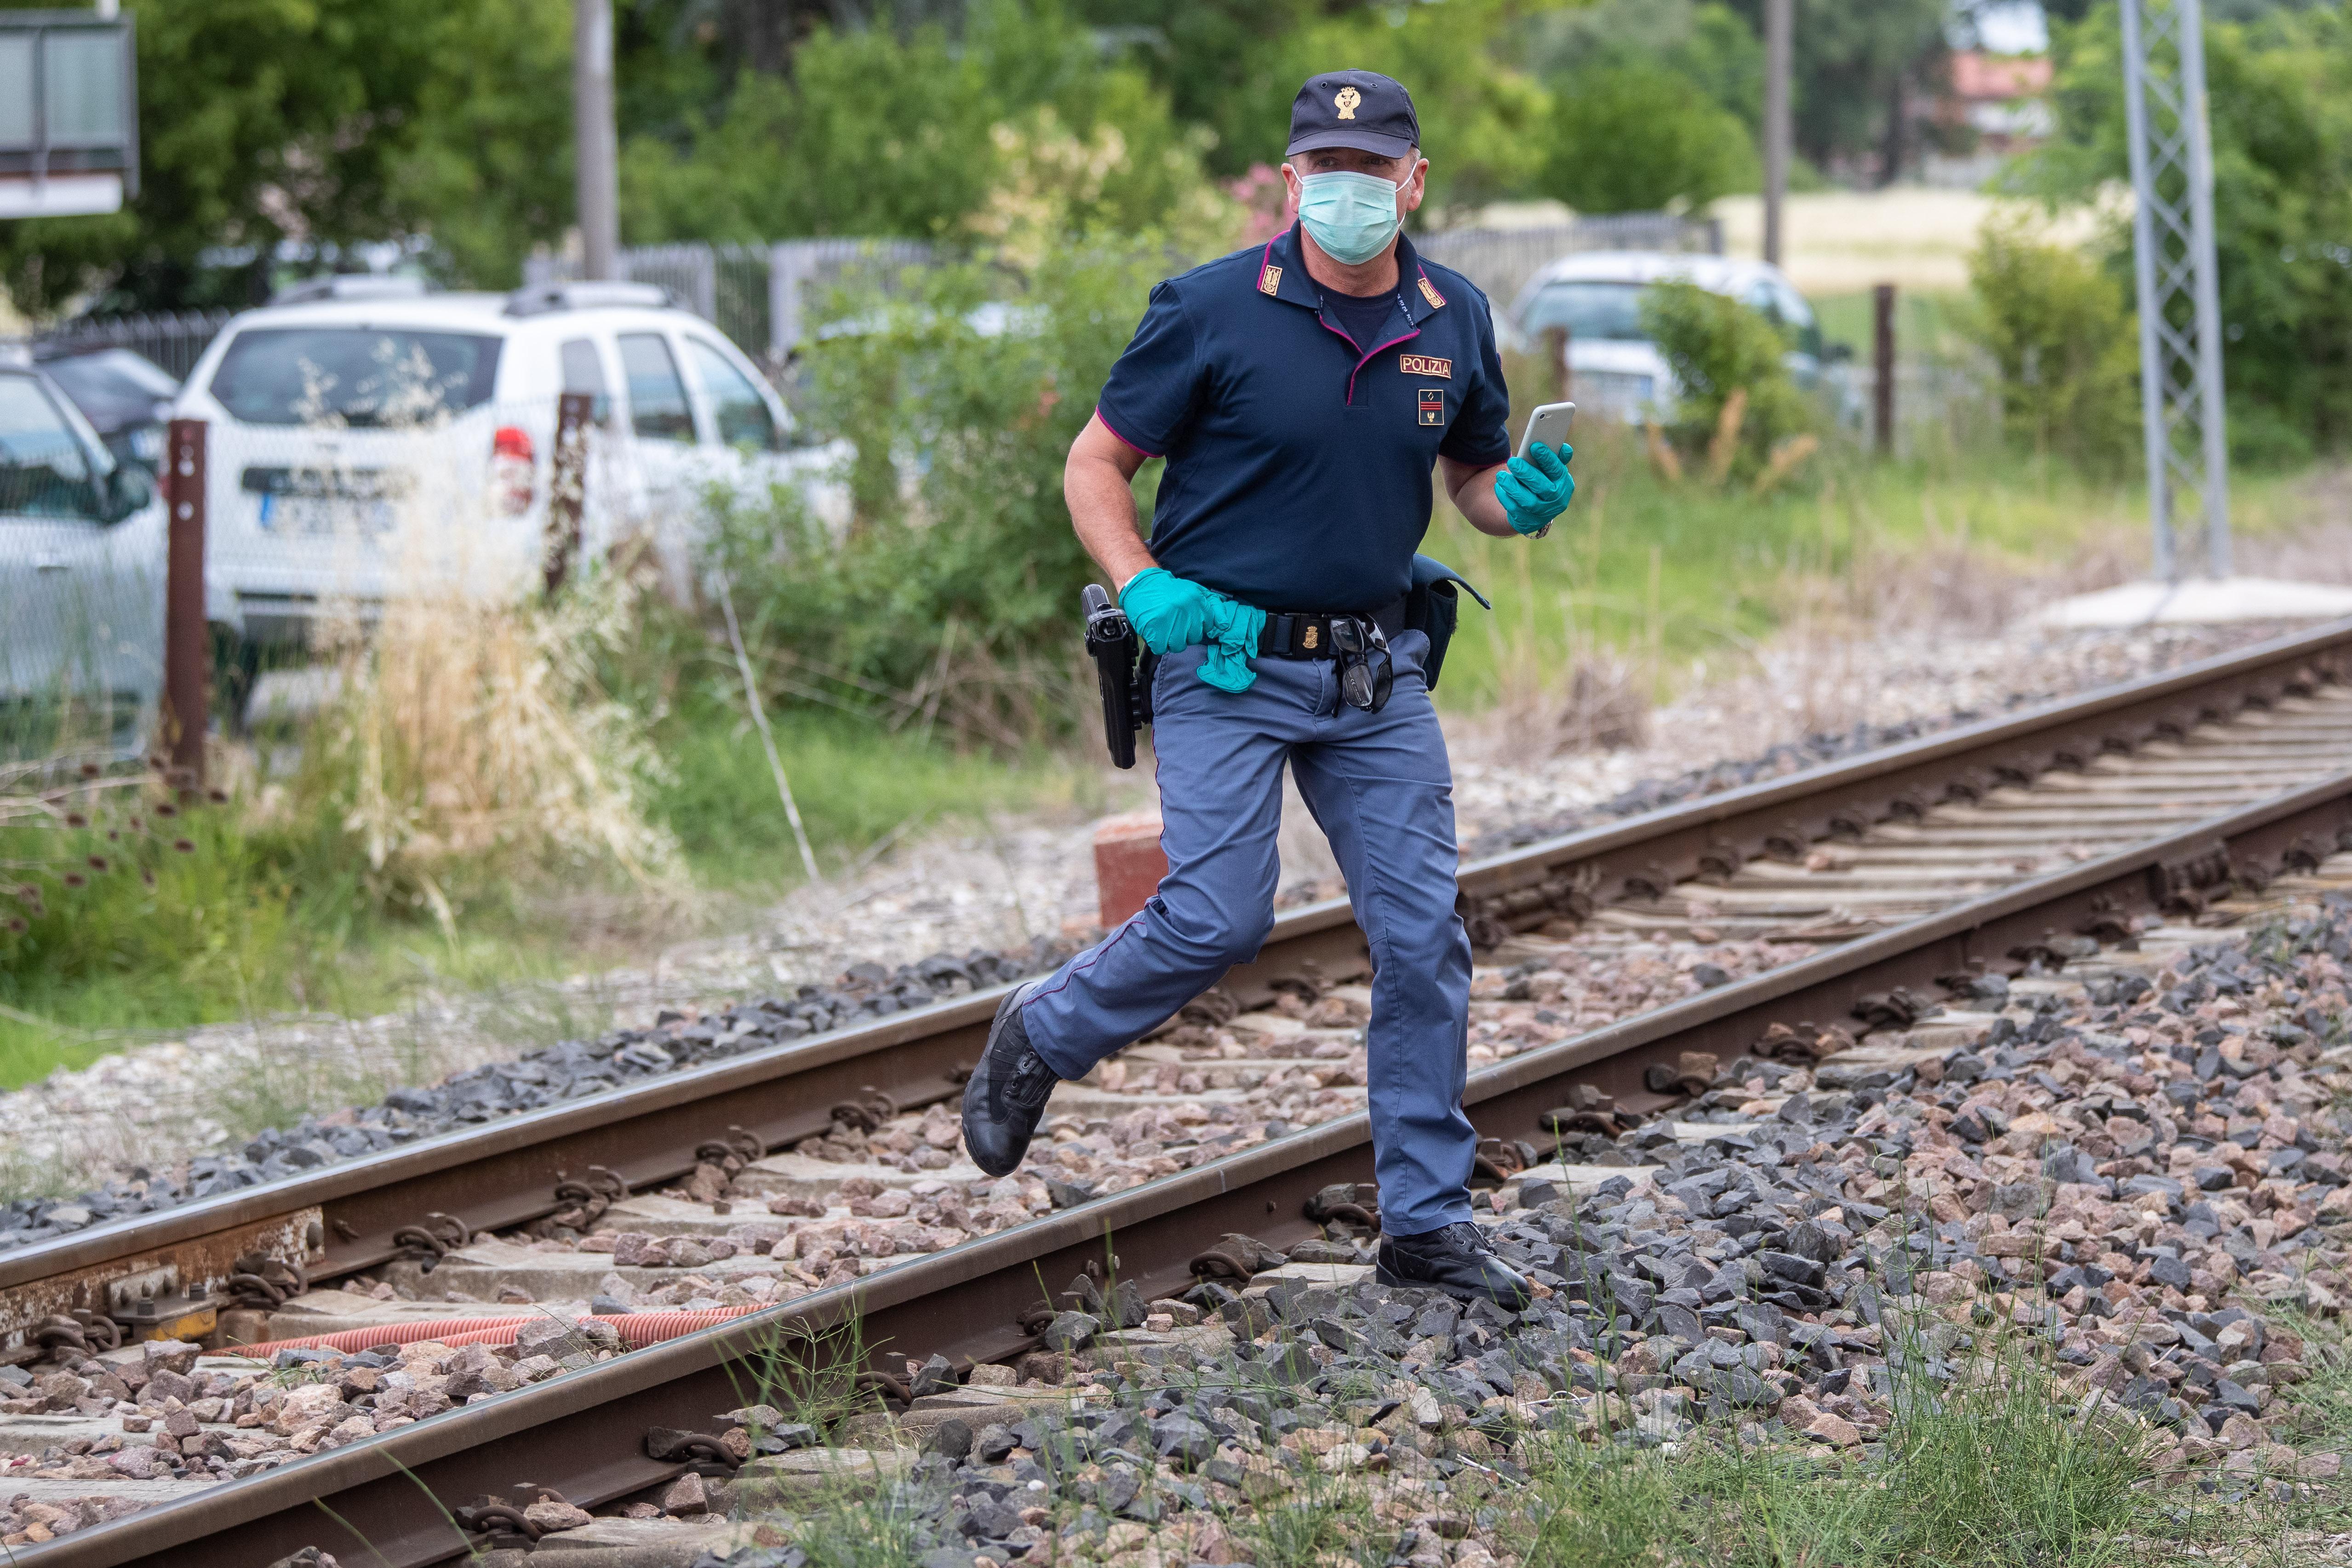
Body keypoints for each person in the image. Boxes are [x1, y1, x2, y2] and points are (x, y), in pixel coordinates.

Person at [962, 69, 1577, 1305]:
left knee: (1423, 938)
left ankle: (1425, 1227)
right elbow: (1092, 466)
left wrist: (1514, 502)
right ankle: (1042, 1030)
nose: (1349, 190)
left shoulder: (1453, 316)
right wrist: (1141, 583)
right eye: (1325, 169)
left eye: (1372, 169)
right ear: (1293, 180)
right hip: (1222, 655)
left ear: (1412, 181)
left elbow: (1469, 478)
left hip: (1372, 672)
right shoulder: (1206, 309)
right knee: (1219, 915)